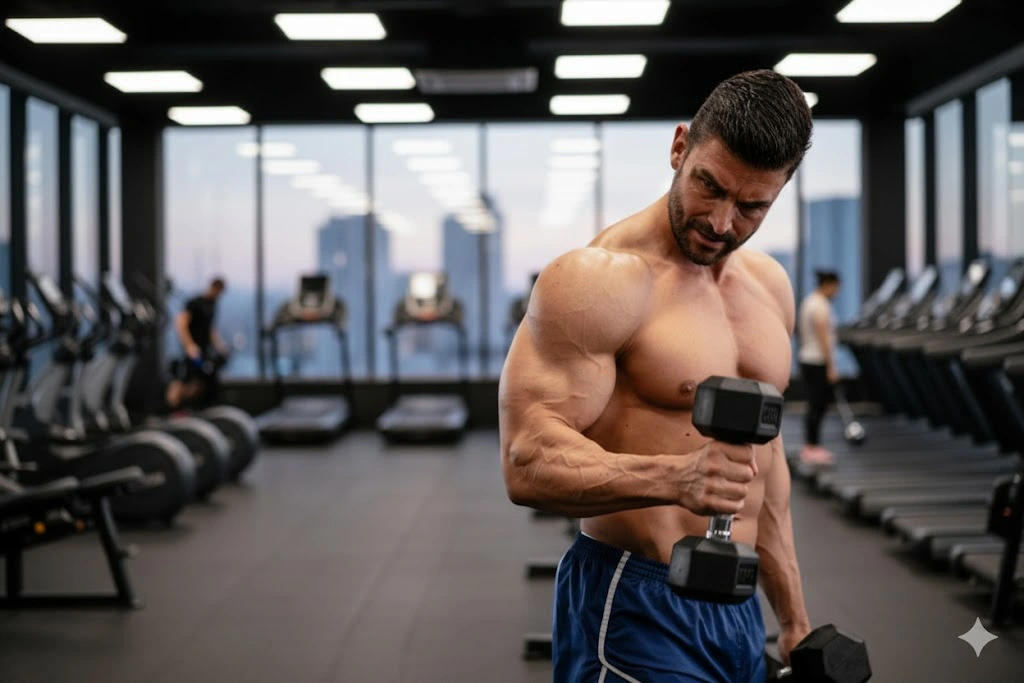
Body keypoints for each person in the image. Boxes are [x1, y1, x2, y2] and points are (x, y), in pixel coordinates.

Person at [498, 70, 814, 682]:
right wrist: (675, 475)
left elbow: (765, 467)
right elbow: (526, 459)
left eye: (752, 206)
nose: (723, 223)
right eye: (709, 187)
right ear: (679, 149)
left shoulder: (771, 290)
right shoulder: (599, 281)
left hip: (738, 606)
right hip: (634, 598)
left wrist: (794, 616)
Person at [798, 270, 842, 465]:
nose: (837, 292)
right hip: (818, 361)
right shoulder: (820, 306)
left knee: (814, 404)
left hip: (807, 358)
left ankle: (811, 446)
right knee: (818, 405)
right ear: (829, 285)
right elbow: (823, 337)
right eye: (836, 288)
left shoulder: (809, 302)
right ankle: (812, 446)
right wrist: (831, 366)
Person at [165, 277, 230, 409]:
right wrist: (189, 345)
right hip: (192, 351)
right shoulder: (195, 303)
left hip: (204, 350)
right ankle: (170, 410)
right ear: (214, 287)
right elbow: (180, 324)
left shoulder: (213, 305)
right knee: (183, 379)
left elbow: (210, 329)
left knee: (202, 381)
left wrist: (220, 345)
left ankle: (194, 409)